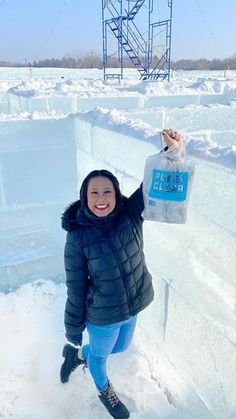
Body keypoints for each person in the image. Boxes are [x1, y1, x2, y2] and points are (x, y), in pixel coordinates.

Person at [60, 129, 182, 419]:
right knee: (101, 356)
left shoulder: (130, 212)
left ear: (116, 194)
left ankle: (78, 357)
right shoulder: (77, 238)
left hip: (133, 303)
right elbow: (75, 287)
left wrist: (171, 152)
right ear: (84, 197)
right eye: (94, 192)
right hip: (102, 314)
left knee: (122, 346)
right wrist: (73, 331)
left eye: (107, 191)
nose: (101, 198)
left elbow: (151, 185)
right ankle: (105, 390)